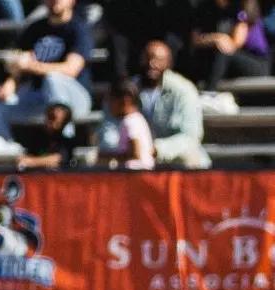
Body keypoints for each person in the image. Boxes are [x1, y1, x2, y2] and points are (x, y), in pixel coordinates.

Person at [0, 0, 94, 141]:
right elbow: (20, 66)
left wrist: (31, 65)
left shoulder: (79, 29)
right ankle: (10, 153)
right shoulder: (35, 29)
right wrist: (10, 84)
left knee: (52, 79)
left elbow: (71, 69)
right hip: (41, 97)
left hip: (75, 98)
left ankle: (62, 147)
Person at [138, 40, 210, 169]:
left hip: (170, 155)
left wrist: (156, 149)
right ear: (141, 59)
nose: (152, 64)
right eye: (148, 58)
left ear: (169, 63)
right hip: (133, 153)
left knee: (191, 159)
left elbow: (191, 137)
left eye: (159, 60)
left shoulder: (183, 90)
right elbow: (110, 129)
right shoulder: (127, 91)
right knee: (92, 158)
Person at [188, 0, 271, 90]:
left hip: (256, 63)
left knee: (222, 51)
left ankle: (209, 92)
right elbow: (195, 40)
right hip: (226, 62)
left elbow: (234, 44)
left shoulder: (242, 7)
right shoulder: (205, 7)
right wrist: (215, 38)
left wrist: (216, 40)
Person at [96, 78, 155, 170]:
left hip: (137, 176)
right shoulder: (136, 119)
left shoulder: (131, 122)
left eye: (111, 101)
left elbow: (136, 154)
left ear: (126, 100)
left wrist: (108, 156)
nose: (109, 106)